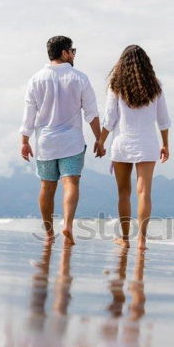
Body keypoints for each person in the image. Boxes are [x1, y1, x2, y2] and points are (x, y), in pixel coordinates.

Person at [19, 35, 105, 246]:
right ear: (64, 53)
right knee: (71, 183)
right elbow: (91, 114)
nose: (74, 55)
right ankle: (67, 225)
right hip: (71, 142)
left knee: (47, 187)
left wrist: (24, 140)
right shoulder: (80, 78)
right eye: (72, 51)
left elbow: (28, 114)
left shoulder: (36, 79)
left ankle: (49, 234)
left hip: (46, 143)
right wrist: (99, 139)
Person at [95, 45, 171, 250]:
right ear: (147, 64)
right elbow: (163, 120)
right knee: (144, 192)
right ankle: (142, 240)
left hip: (122, 144)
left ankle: (126, 238)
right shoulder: (156, 86)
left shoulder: (116, 86)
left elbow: (110, 119)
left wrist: (101, 141)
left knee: (123, 193)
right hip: (147, 144)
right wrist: (166, 144)